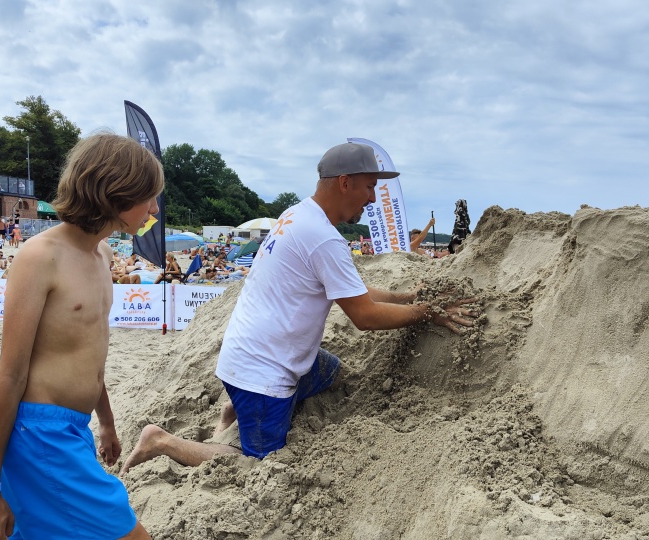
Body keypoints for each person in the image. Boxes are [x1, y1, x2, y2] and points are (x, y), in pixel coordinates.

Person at [121, 142, 478, 472]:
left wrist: (406, 298)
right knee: (256, 461)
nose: (371, 198)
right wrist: (428, 312)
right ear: (344, 183)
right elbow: (364, 316)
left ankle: (236, 409)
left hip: (257, 352)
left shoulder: (298, 215)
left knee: (333, 372)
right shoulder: (323, 237)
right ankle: (162, 440)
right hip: (261, 373)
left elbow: (351, 289)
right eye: (369, 187)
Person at [0, 133, 163, 540]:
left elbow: (88, 355)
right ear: (117, 192)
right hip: (39, 434)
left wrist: (107, 423)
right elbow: (9, 376)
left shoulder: (104, 256)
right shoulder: (41, 257)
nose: (154, 209)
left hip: (73, 428)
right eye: (149, 197)